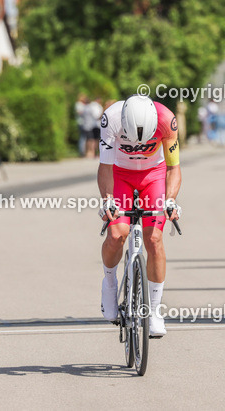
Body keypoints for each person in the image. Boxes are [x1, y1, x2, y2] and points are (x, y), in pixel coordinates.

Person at [98, 95, 182, 338]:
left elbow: (173, 168)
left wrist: (170, 201)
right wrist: (107, 201)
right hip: (120, 174)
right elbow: (104, 167)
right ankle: (110, 285)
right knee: (116, 234)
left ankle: (154, 310)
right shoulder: (110, 118)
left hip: (153, 175)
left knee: (154, 239)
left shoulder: (167, 120)